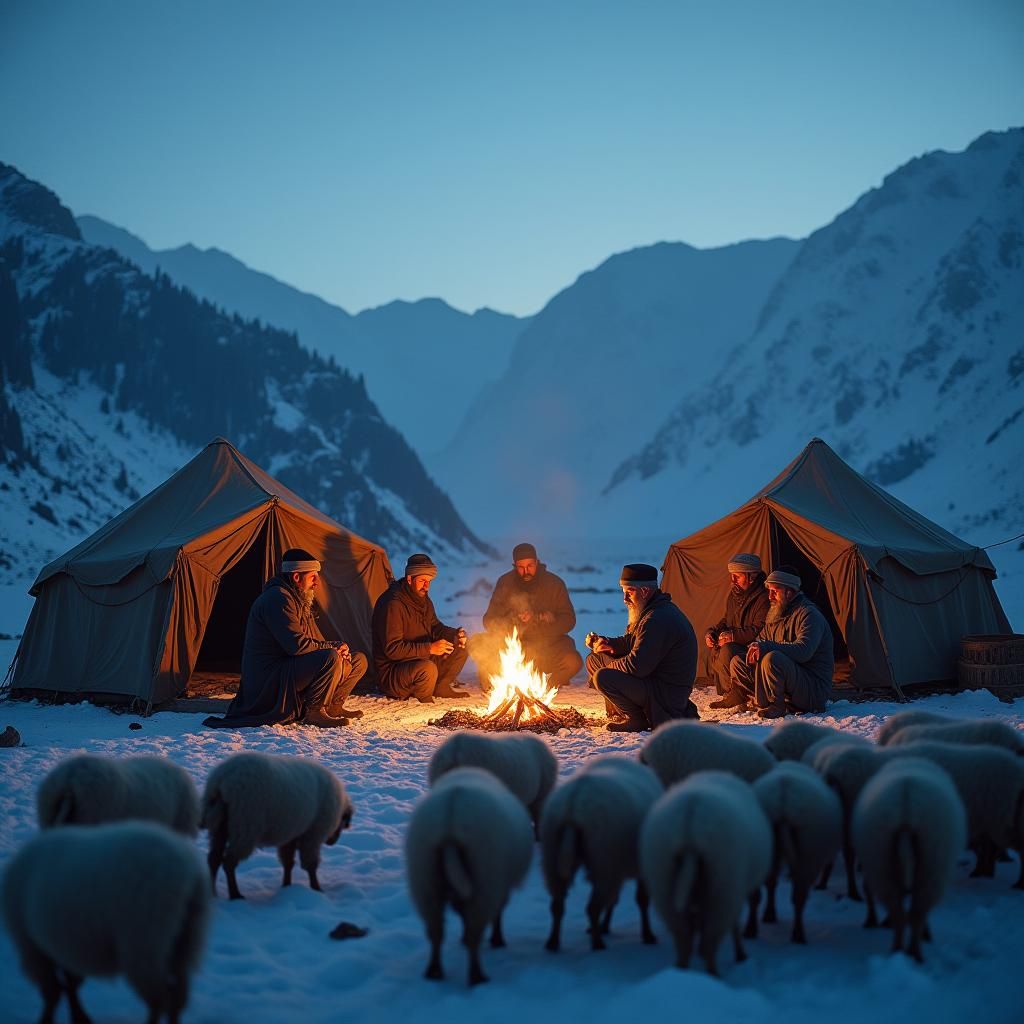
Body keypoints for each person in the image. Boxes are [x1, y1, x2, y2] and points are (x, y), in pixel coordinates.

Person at [204, 548, 367, 729]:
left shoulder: (296, 599)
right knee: (330, 657)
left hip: (289, 667)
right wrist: (333, 649)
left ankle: (333, 706)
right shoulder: (278, 599)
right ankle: (314, 712)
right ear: (297, 577)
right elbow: (297, 646)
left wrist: (338, 648)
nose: (317, 583)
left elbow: (314, 640)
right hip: (271, 677)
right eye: (313, 577)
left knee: (358, 659)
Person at [585, 563, 698, 732]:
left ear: (644, 591)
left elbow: (636, 666)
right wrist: (607, 644)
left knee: (603, 676)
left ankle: (636, 719)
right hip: (652, 680)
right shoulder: (651, 611)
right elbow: (632, 641)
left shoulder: (657, 619)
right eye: (623, 592)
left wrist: (610, 667)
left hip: (665, 693)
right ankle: (623, 710)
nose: (624, 599)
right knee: (595, 660)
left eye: (629, 592)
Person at [716, 566, 834, 719]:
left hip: (811, 689)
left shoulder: (809, 614)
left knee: (773, 658)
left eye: (775, 591)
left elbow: (804, 651)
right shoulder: (776, 613)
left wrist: (766, 647)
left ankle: (777, 705)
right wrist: (754, 648)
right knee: (738, 661)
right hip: (787, 684)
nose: (770, 596)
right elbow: (761, 640)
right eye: (769, 591)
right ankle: (759, 699)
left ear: (789, 592)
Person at [469, 542, 583, 691]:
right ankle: (496, 685)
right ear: (515, 565)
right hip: (514, 648)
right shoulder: (505, 583)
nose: (526, 571)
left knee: (573, 661)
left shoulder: (554, 584)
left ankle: (546, 687)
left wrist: (542, 618)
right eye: (521, 567)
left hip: (546, 647)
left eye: (530, 566)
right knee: (477, 643)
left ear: (537, 562)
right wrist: (512, 620)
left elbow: (569, 620)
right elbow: (489, 620)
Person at [372, 552, 469, 703]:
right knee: (428, 668)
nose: (426, 586)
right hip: (394, 672)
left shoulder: (423, 599)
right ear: (409, 579)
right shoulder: (393, 604)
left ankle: (441, 687)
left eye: (429, 581)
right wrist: (429, 648)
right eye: (422, 580)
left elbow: (435, 626)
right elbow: (392, 649)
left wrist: (454, 635)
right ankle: (424, 700)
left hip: (421, 659)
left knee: (462, 649)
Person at [702, 553, 769, 695]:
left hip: (754, 648)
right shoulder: (734, 595)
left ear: (752, 577)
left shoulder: (764, 597)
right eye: (731, 576)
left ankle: (736, 693)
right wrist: (713, 632)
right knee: (714, 646)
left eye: (737, 576)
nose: (732, 580)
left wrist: (733, 637)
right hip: (737, 643)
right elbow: (727, 620)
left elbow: (760, 629)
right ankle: (726, 691)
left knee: (728, 650)